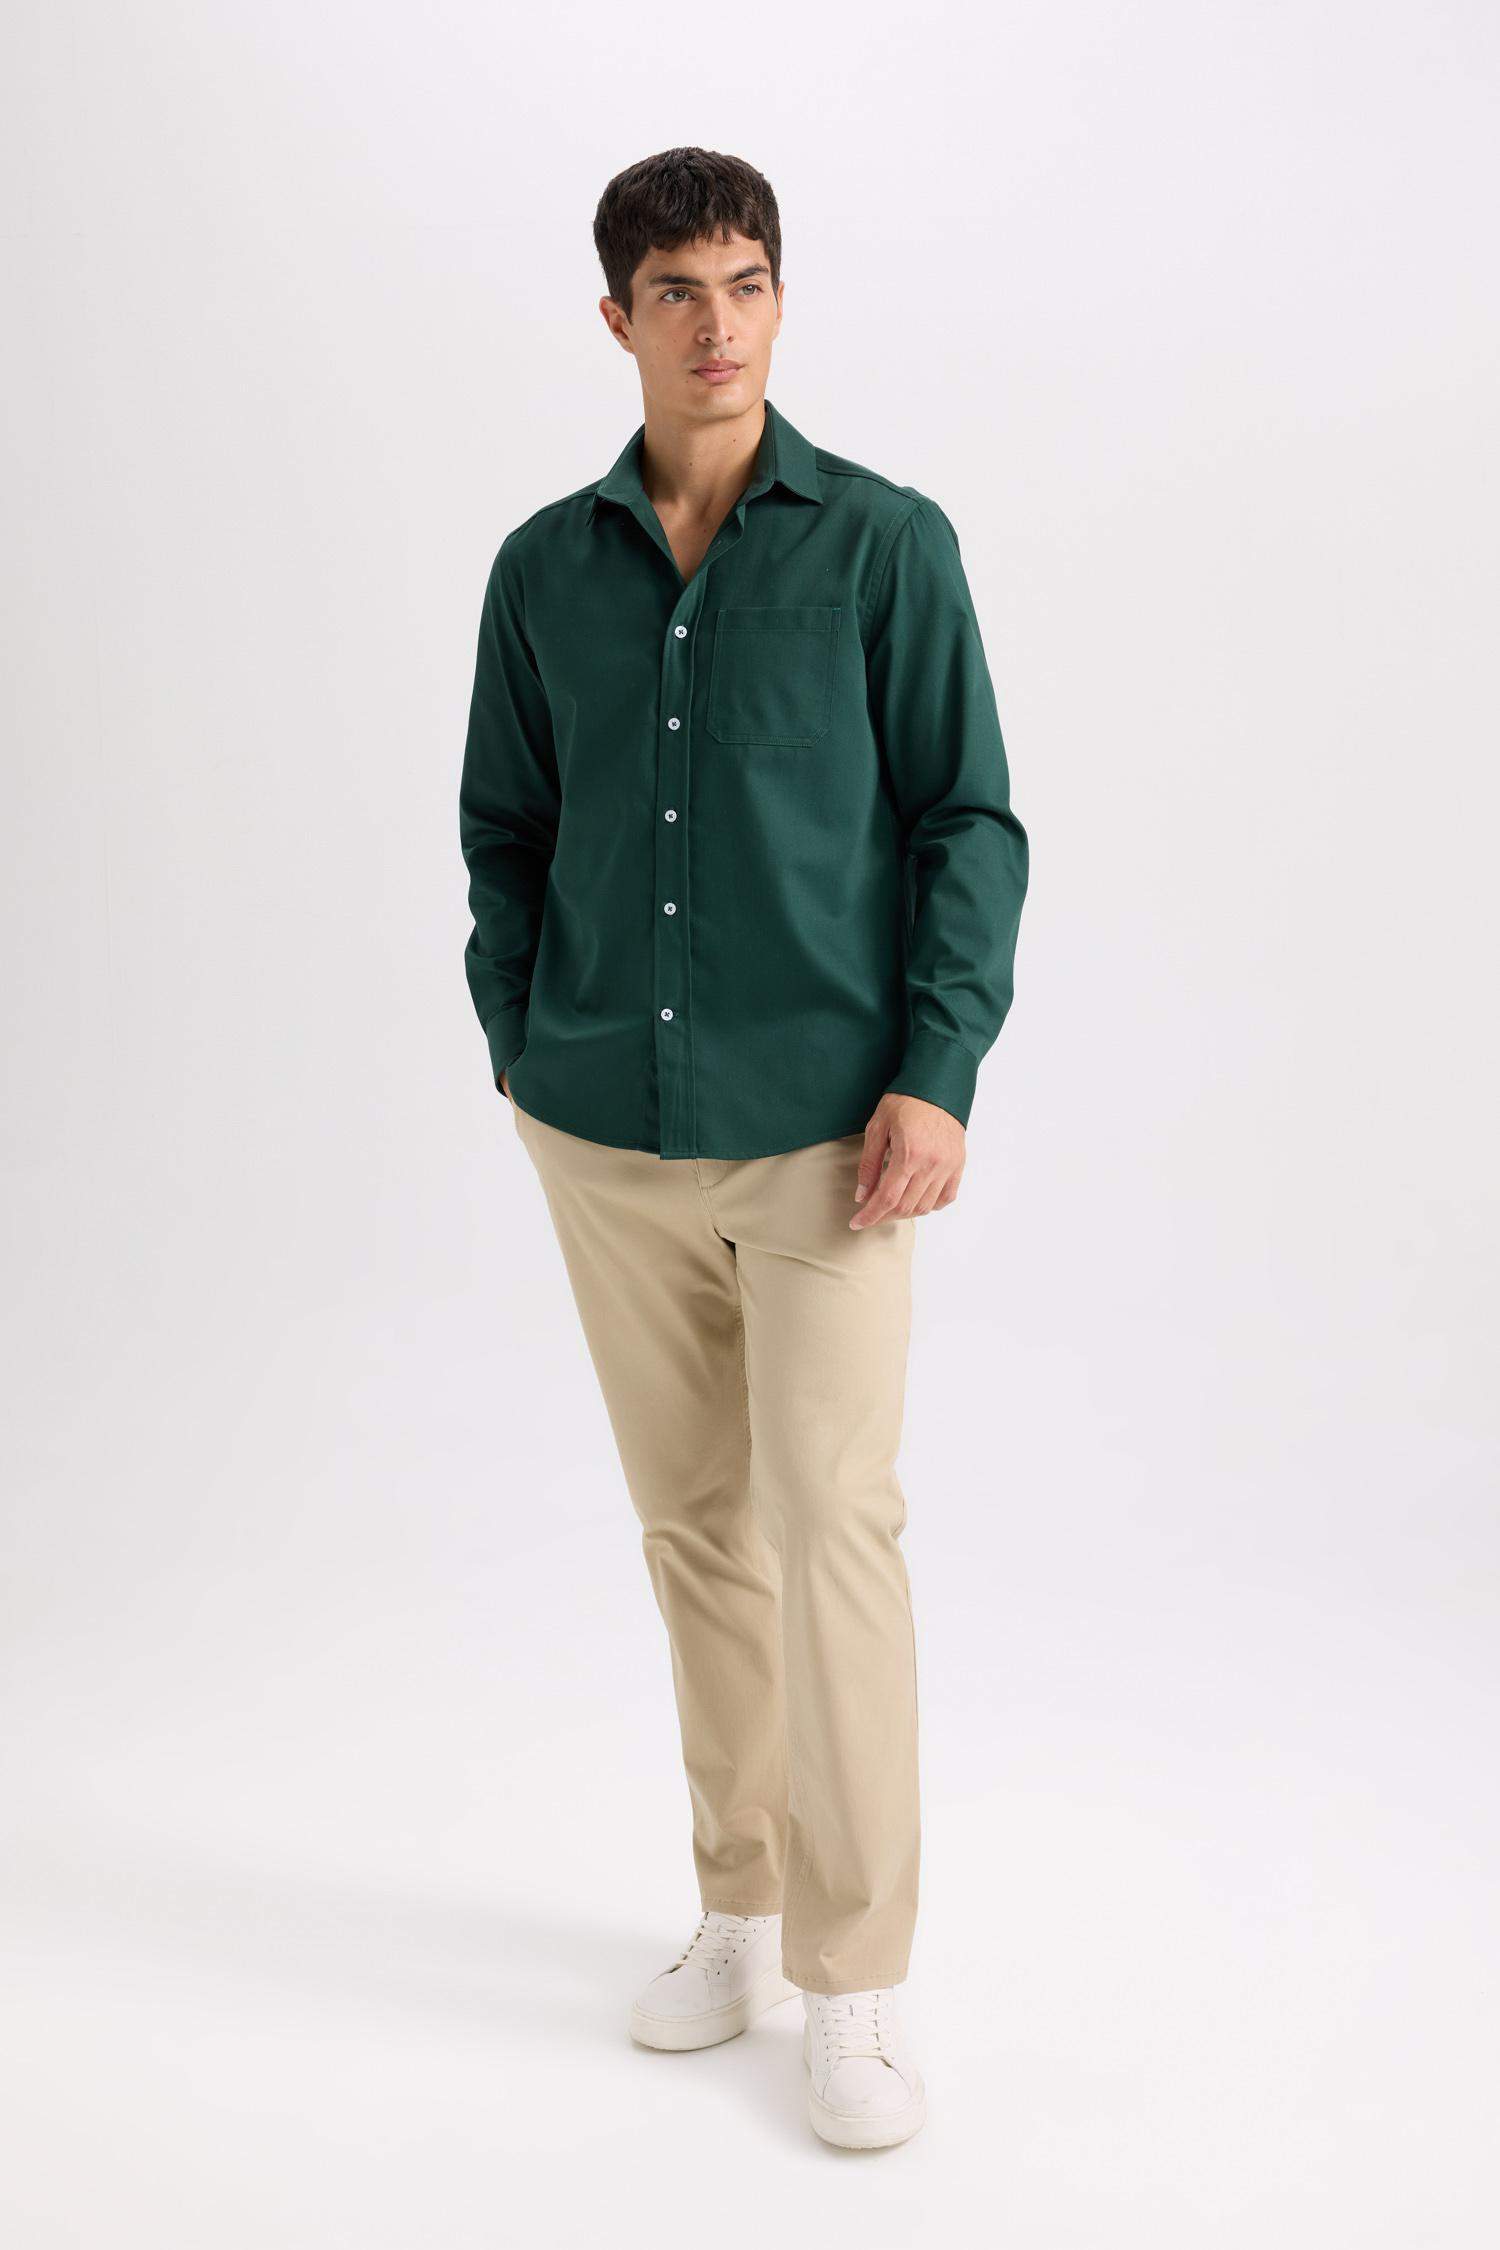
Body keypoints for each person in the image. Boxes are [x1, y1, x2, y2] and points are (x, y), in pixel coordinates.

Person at [458, 145, 1028, 2151]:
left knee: (833, 1527)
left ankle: (855, 1984)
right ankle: (742, 1908)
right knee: (695, 1530)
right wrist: (524, 1044)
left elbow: (967, 819)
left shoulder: (883, 544)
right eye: (680, 290)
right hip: (604, 1128)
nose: (720, 325)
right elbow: (505, 833)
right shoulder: (543, 570)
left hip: (827, 1141)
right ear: (616, 317)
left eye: (750, 281)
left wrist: (938, 1069)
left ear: (782, 299)